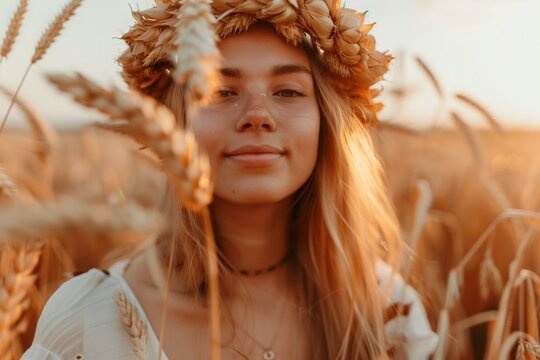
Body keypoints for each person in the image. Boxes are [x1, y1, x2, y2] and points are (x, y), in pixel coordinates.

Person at [22, 0, 438, 359]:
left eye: (288, 91)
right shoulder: (88, 322)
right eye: (221, 90)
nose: (258, 114)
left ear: (326, 125)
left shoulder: (387, 312)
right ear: (172, 124)